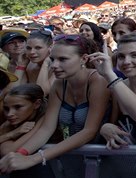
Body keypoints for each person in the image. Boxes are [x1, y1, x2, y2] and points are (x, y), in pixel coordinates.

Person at [0, 34, 111, 173]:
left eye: (63, 59)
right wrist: (21, 154)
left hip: (103, 160)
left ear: (84, 58)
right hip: (73, 158)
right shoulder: (59, 84)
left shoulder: (98, 81)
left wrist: (35, 158)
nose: (54, 65)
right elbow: (47, 128)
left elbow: (89, 131)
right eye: (52, 59)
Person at [0, 84, 46, 155]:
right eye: (6, 108)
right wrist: (12, 134)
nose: (9, 114)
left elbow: (7, 151)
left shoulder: (45, 117)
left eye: (17, 107)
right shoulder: (13, 119)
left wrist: (4, 138)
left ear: (37, 104)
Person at [21, 30, 54, 96]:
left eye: (38, 48)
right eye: (28, 48)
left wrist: (45, 63)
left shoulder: (59, 67)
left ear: (50, 48)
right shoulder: (29, 65)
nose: (32, 52)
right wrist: (21, 65)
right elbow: (18, 90)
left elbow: (42, 93)